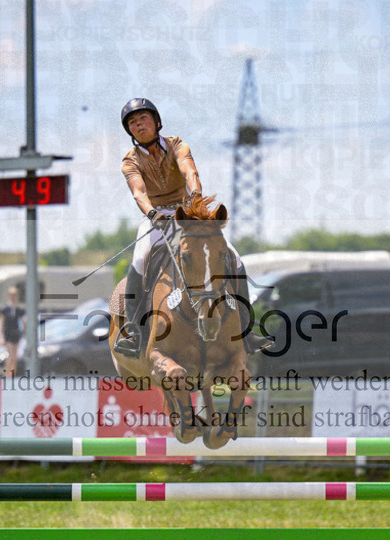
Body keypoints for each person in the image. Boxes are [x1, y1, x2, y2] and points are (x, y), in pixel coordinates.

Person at [114, 97, 273, 358]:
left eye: (143, 119)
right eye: (133, 123)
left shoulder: (177, 144)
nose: (139, 125)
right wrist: (153, 213)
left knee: (234, 257)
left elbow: (190, 173)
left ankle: (246, 330)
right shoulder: (130, 161)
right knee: (140, 260)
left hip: (188, 212)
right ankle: (133, 332)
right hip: (157, 218)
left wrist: (196, 196)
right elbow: (139, 193)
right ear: (130, 131)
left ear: (156, 122)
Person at [0, 287, 23, 377]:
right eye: (11, 295)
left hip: (15, 334)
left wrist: (23, 330)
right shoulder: (5, 310)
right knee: (10, 355)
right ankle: (7, 375)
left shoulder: (19, 309)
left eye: (15, 295)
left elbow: (23, 321)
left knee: (14, 357)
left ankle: (13, 375)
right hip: (8, 334)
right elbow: (2, 323)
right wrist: (1, 336)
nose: (13, 297)